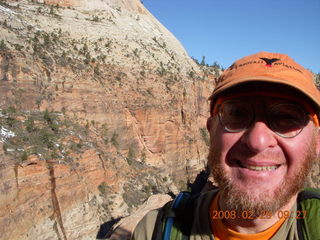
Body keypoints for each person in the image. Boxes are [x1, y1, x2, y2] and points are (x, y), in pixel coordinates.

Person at [131, 52, 320, 240]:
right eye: (237, 113)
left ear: (317, 143)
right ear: (210, 131)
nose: (258, 141)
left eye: (287, 117)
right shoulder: (153, 231)